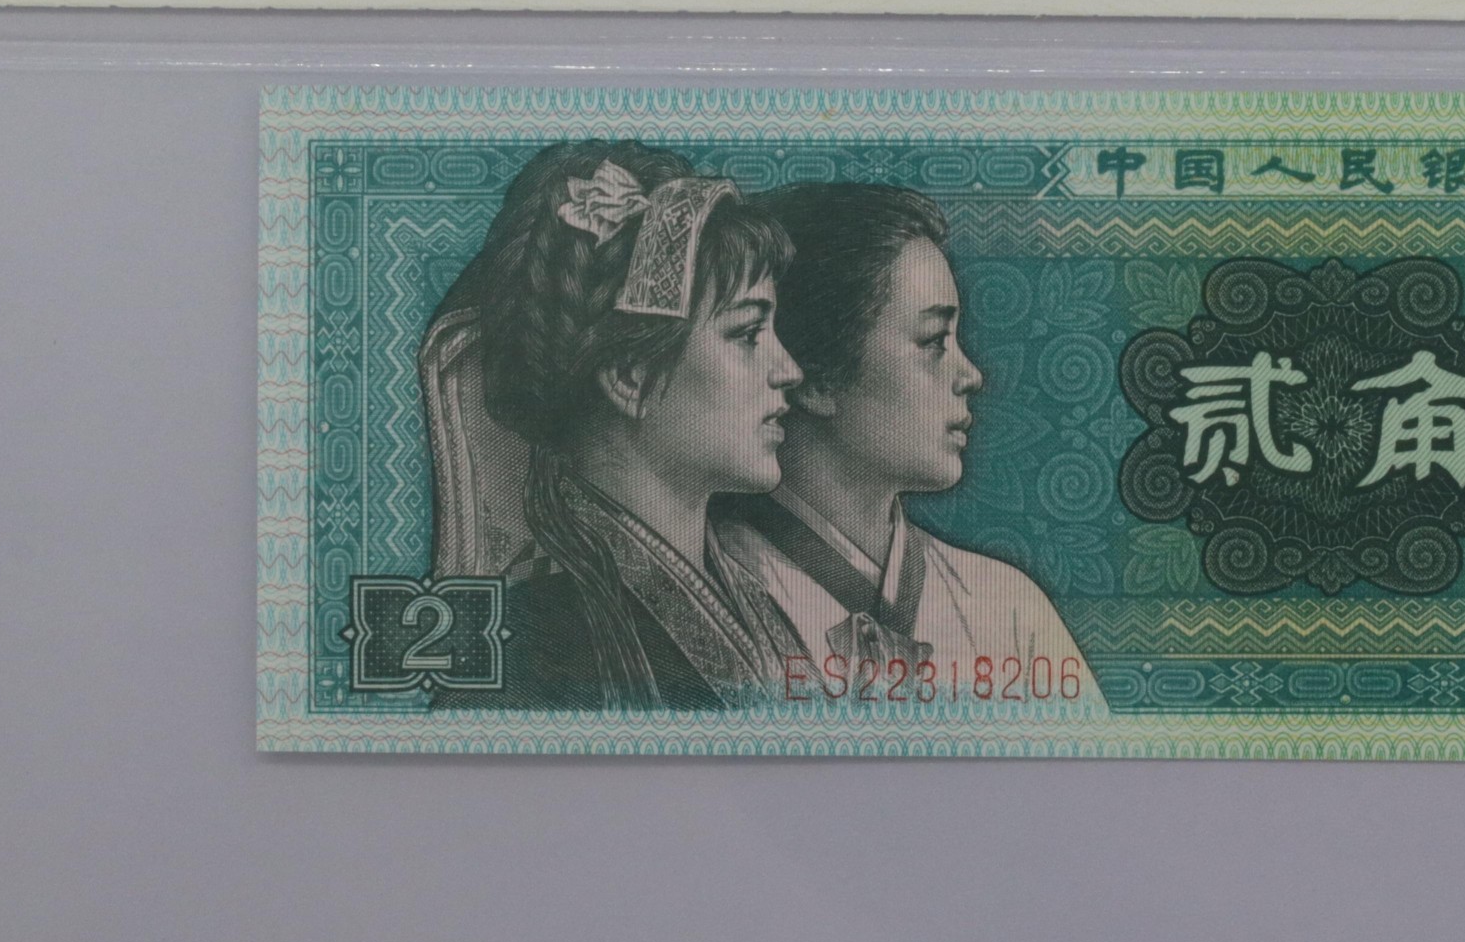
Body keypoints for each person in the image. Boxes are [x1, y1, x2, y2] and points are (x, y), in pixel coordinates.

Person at [421, 142, 809, 711]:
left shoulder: (758, 609)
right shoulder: (525, 650)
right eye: (747, 334)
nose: (789, 370)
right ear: (630, 376)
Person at [715, 183, 1089, 695]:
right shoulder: (711, 595)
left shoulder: (1008, 609)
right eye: (933, 341)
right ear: (817, 380)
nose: (971, 375)